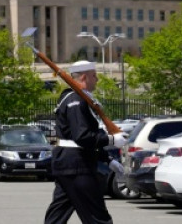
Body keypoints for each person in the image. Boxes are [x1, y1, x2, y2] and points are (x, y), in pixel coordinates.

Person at [45, 60, 127, 224]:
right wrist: (111, 139)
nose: (97, 79)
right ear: (84, 77)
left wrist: (107, 159)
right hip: (77, 166)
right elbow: (82, 137)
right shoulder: (76, 99)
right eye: (94, 76)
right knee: (98, 217)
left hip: (68, 163)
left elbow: (78, 139)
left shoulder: (72, 98)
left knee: (57, 217)